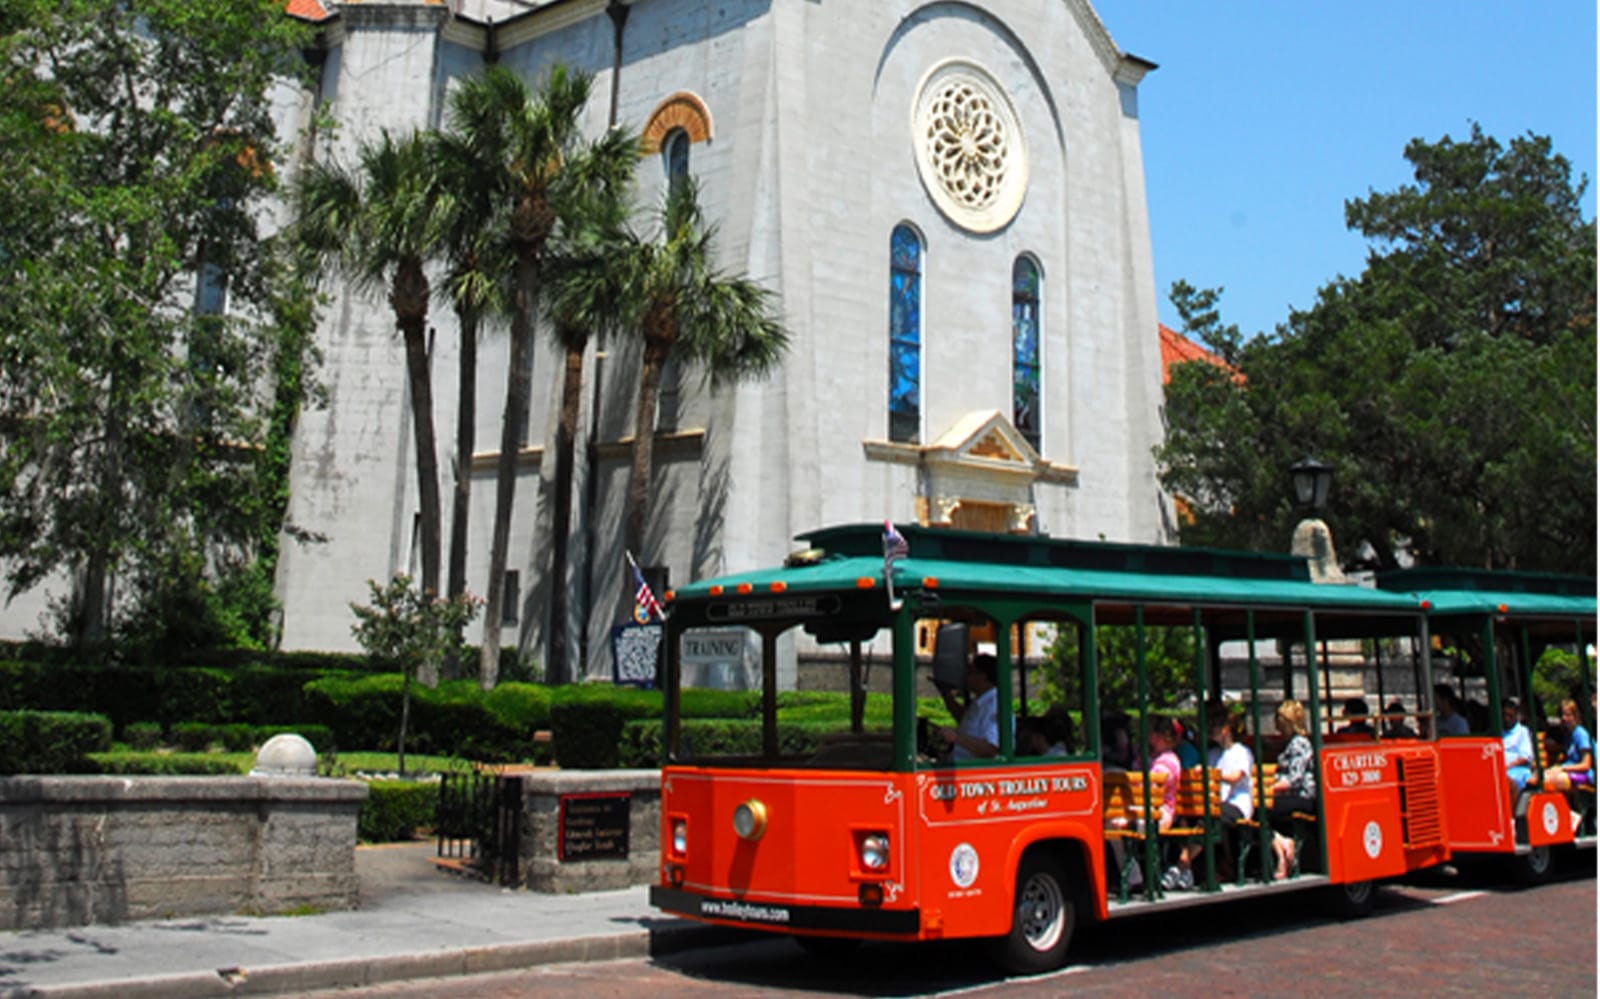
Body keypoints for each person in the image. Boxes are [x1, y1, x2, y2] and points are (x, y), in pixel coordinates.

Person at [1163, 707, 1253, 891]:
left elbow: (1236, 777)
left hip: (1237, 805)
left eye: (1216, 727)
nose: (1212, 732)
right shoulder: (1213, 754)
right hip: (1214, 805)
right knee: (1195, 819)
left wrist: (1212, 775)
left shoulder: (1241, 752)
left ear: (1226, 729)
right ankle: (1187, 870)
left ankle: (1182, 865)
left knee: (1210, 820)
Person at [1268, 700, 1317, 880]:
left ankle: (1281, 852)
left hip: (1301, 797)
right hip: (1289, 795)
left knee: (1263, 809)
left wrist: (1269, 788)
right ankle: (1281, 843)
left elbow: (1294, 780)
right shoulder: (1290, 743)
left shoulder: (1300, 744)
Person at [937, 653, 999, 760]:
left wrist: (956, 737)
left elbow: (991, 750)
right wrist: (946, 694)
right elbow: (965, 720)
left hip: (974, 772)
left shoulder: (994, 705)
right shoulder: (980, 701)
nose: (966, 677)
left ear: (982, 676)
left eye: (970, 672)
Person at [1537, 698, 1594, 793]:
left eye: (1568, 715)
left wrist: (1562, 768)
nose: (1564, 718)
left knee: (1550, 780)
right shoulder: (1568, 734)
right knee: (1542, 776)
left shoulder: (1580, 734)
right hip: (1569, 771)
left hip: (1585, 776)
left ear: (1575, 716)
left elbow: (1586, 765)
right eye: (1562, 715)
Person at [1501, 697, 1533, 802]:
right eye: (1505, 715)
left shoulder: (1522, 732)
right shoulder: (1499, 732)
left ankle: (1512, 813)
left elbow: (1526, 757)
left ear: (1515, 715)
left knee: (1507, 780)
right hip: (1500, 769)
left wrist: (1508, 766)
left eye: (1510, 716)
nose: (1507, 719)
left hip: (1518, 770)